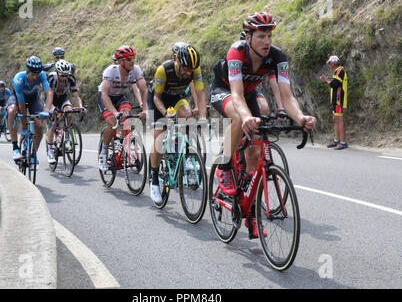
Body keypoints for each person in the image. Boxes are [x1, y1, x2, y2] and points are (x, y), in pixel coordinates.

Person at [209, 12, 316, 236]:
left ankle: (250, 212)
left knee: (255, 154)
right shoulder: (236, 52)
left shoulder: (278, 57)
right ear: (248, 37)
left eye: (269, 36)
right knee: (240, 117)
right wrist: (247, 117)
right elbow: (236, 95)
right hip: (224, 90)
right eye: (260, 36)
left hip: (247, 95)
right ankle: (225, 167)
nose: (266, 41)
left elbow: (287, 97)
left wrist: (300, 118)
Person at [148, 44, 207, 203]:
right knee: (159, 137)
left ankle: (183, 153)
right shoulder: (163, 70)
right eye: (185, 68)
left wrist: (202, 117)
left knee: (188, 116)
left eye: (191, 70)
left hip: (176, 98)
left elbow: (200, 93)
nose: (188, 72)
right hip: (158, 100)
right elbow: (156, 98)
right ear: (178, 62)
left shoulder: (195, 69)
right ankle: (153, 180)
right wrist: (166, 113)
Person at [97, 45, 148, 171]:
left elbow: (144, 90)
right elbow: (104, 94)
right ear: (121, 61)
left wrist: (145, 108)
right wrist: (114, 112)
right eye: (129, 59)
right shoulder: (111, 71)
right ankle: (103, 151)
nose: (132, 61)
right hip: (106, 98)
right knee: (113, 123)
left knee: (126, 118)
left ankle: (124, 147)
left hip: (120, 97)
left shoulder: (136, 70)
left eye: (133, 58)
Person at [7, 56, 53, 161]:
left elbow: (49, 92)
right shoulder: (19, 79)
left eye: (37, 74)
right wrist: (24, 127)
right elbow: (21, 104)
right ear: (27, 70)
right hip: (18, 98)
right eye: (33, 74)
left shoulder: (41, 75)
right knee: (12, 111)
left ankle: (33, 154)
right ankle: (15, 148)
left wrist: (46, 110)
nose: (35, 77)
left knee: (39, 125)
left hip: (33, 98)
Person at [46, 60, 85, 163]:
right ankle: (50, 150)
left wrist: (80, 107)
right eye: (62, 75)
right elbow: (47, 94)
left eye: (66, 75)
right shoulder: (51, 78)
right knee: (53, 123)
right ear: (57, 72)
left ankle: (66, 137)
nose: (65, 78)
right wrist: (50, 109)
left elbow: (76, 96)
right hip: (51, 98)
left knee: (69, 113)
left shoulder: (71, 78)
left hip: (62, 98)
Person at [320, 55, 348, 150]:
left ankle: (343, 142)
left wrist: (326, 80)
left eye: (330, 63)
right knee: (335, 119)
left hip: (339, 100)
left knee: (339, 120)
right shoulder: (337, 71)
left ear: (334, 63)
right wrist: (328, 80)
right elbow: (334, 84)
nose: (329, 65)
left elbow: (334, 84)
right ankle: (336, 140)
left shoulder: (340, 70)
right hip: (335, 100)